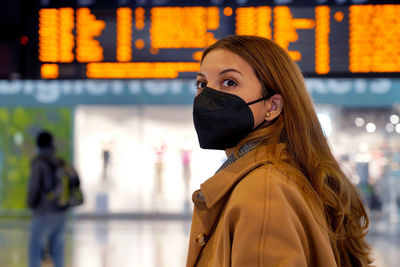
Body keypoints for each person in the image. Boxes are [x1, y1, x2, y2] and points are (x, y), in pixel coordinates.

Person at [187, 35, 372, 267]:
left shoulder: (263, 192)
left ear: (272, 106)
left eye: (229, 82)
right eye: (202, 84)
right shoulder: (280, 176)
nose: (206, 97)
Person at [27, 131, 68, 267]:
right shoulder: (59, 162)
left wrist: (31, 204)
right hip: (61, 211)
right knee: (58, 248)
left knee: (35, 247)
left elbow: (34, 188)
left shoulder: (38, 163)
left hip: (43, 212)